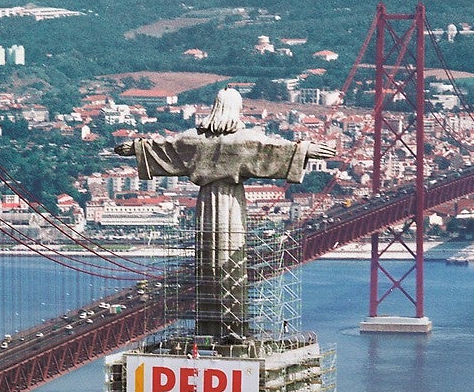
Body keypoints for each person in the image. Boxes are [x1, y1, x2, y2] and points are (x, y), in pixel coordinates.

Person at [116, 89, 334, 339]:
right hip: (232, 204)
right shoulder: (243, 140)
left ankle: (208, 327)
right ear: (236, 109)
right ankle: (233, 327)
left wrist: (136, 148)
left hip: (206, 204)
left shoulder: (194, 140)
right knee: (232, 261)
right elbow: (273, 149)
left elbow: (165, 148)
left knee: (207, 261)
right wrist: (305, 150)